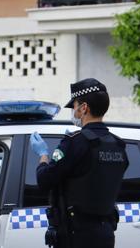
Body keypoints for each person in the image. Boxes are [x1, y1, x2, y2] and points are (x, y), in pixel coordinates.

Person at [30, 79, 128, 248]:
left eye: (74, 106)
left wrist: (43, 154)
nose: (73, 111)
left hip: (76, 237)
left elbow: (44, 180)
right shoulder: (118, 145)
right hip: (105, 236)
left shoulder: (75, 142)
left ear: (84, 108)